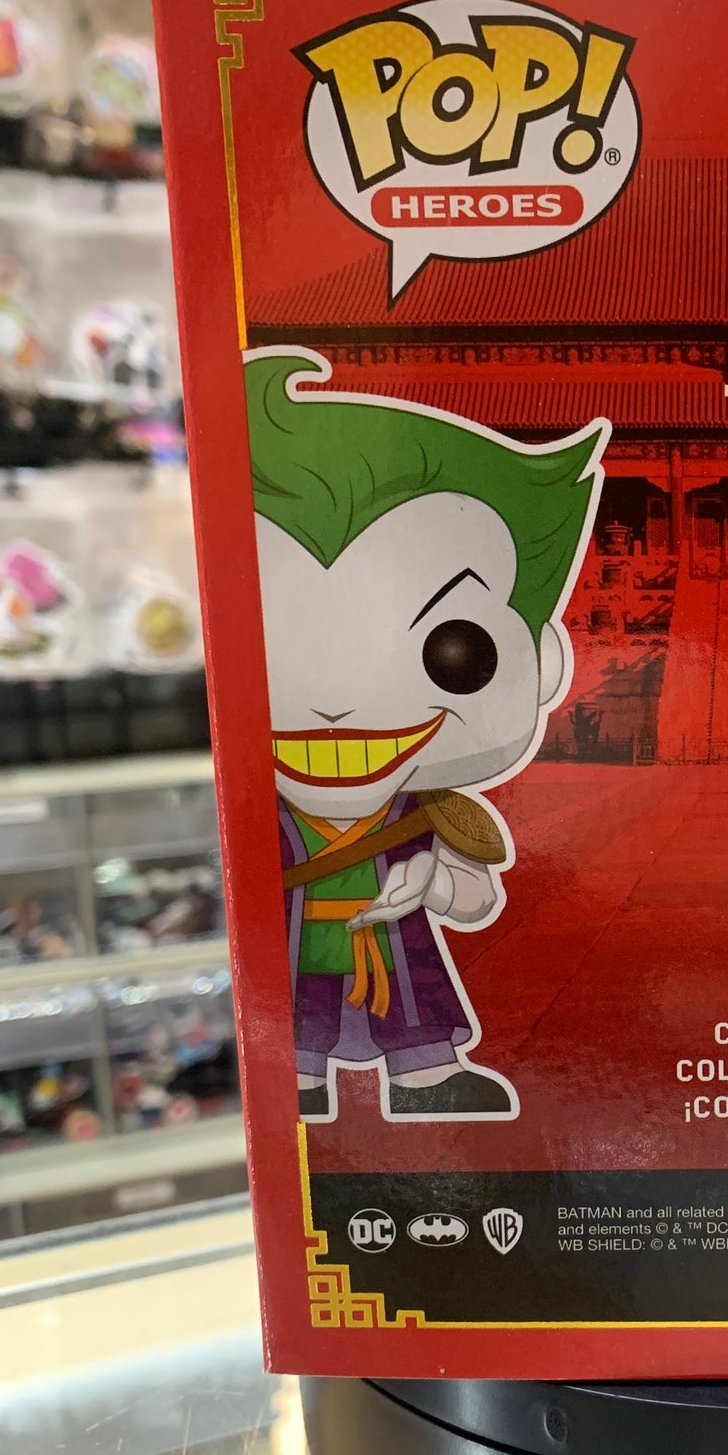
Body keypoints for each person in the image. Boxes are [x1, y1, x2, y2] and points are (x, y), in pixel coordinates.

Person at [247, 346, 605, 1124]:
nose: (335, 706)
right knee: (300, 1025)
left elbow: (475, 898)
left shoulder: (429, 811)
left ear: (540, 660)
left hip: (394, 951)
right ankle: (298, 1077)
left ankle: (424, 1080)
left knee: (414, 1011)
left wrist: (433, 881)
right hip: (302, 954)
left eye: (453, 647)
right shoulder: (264, 818)